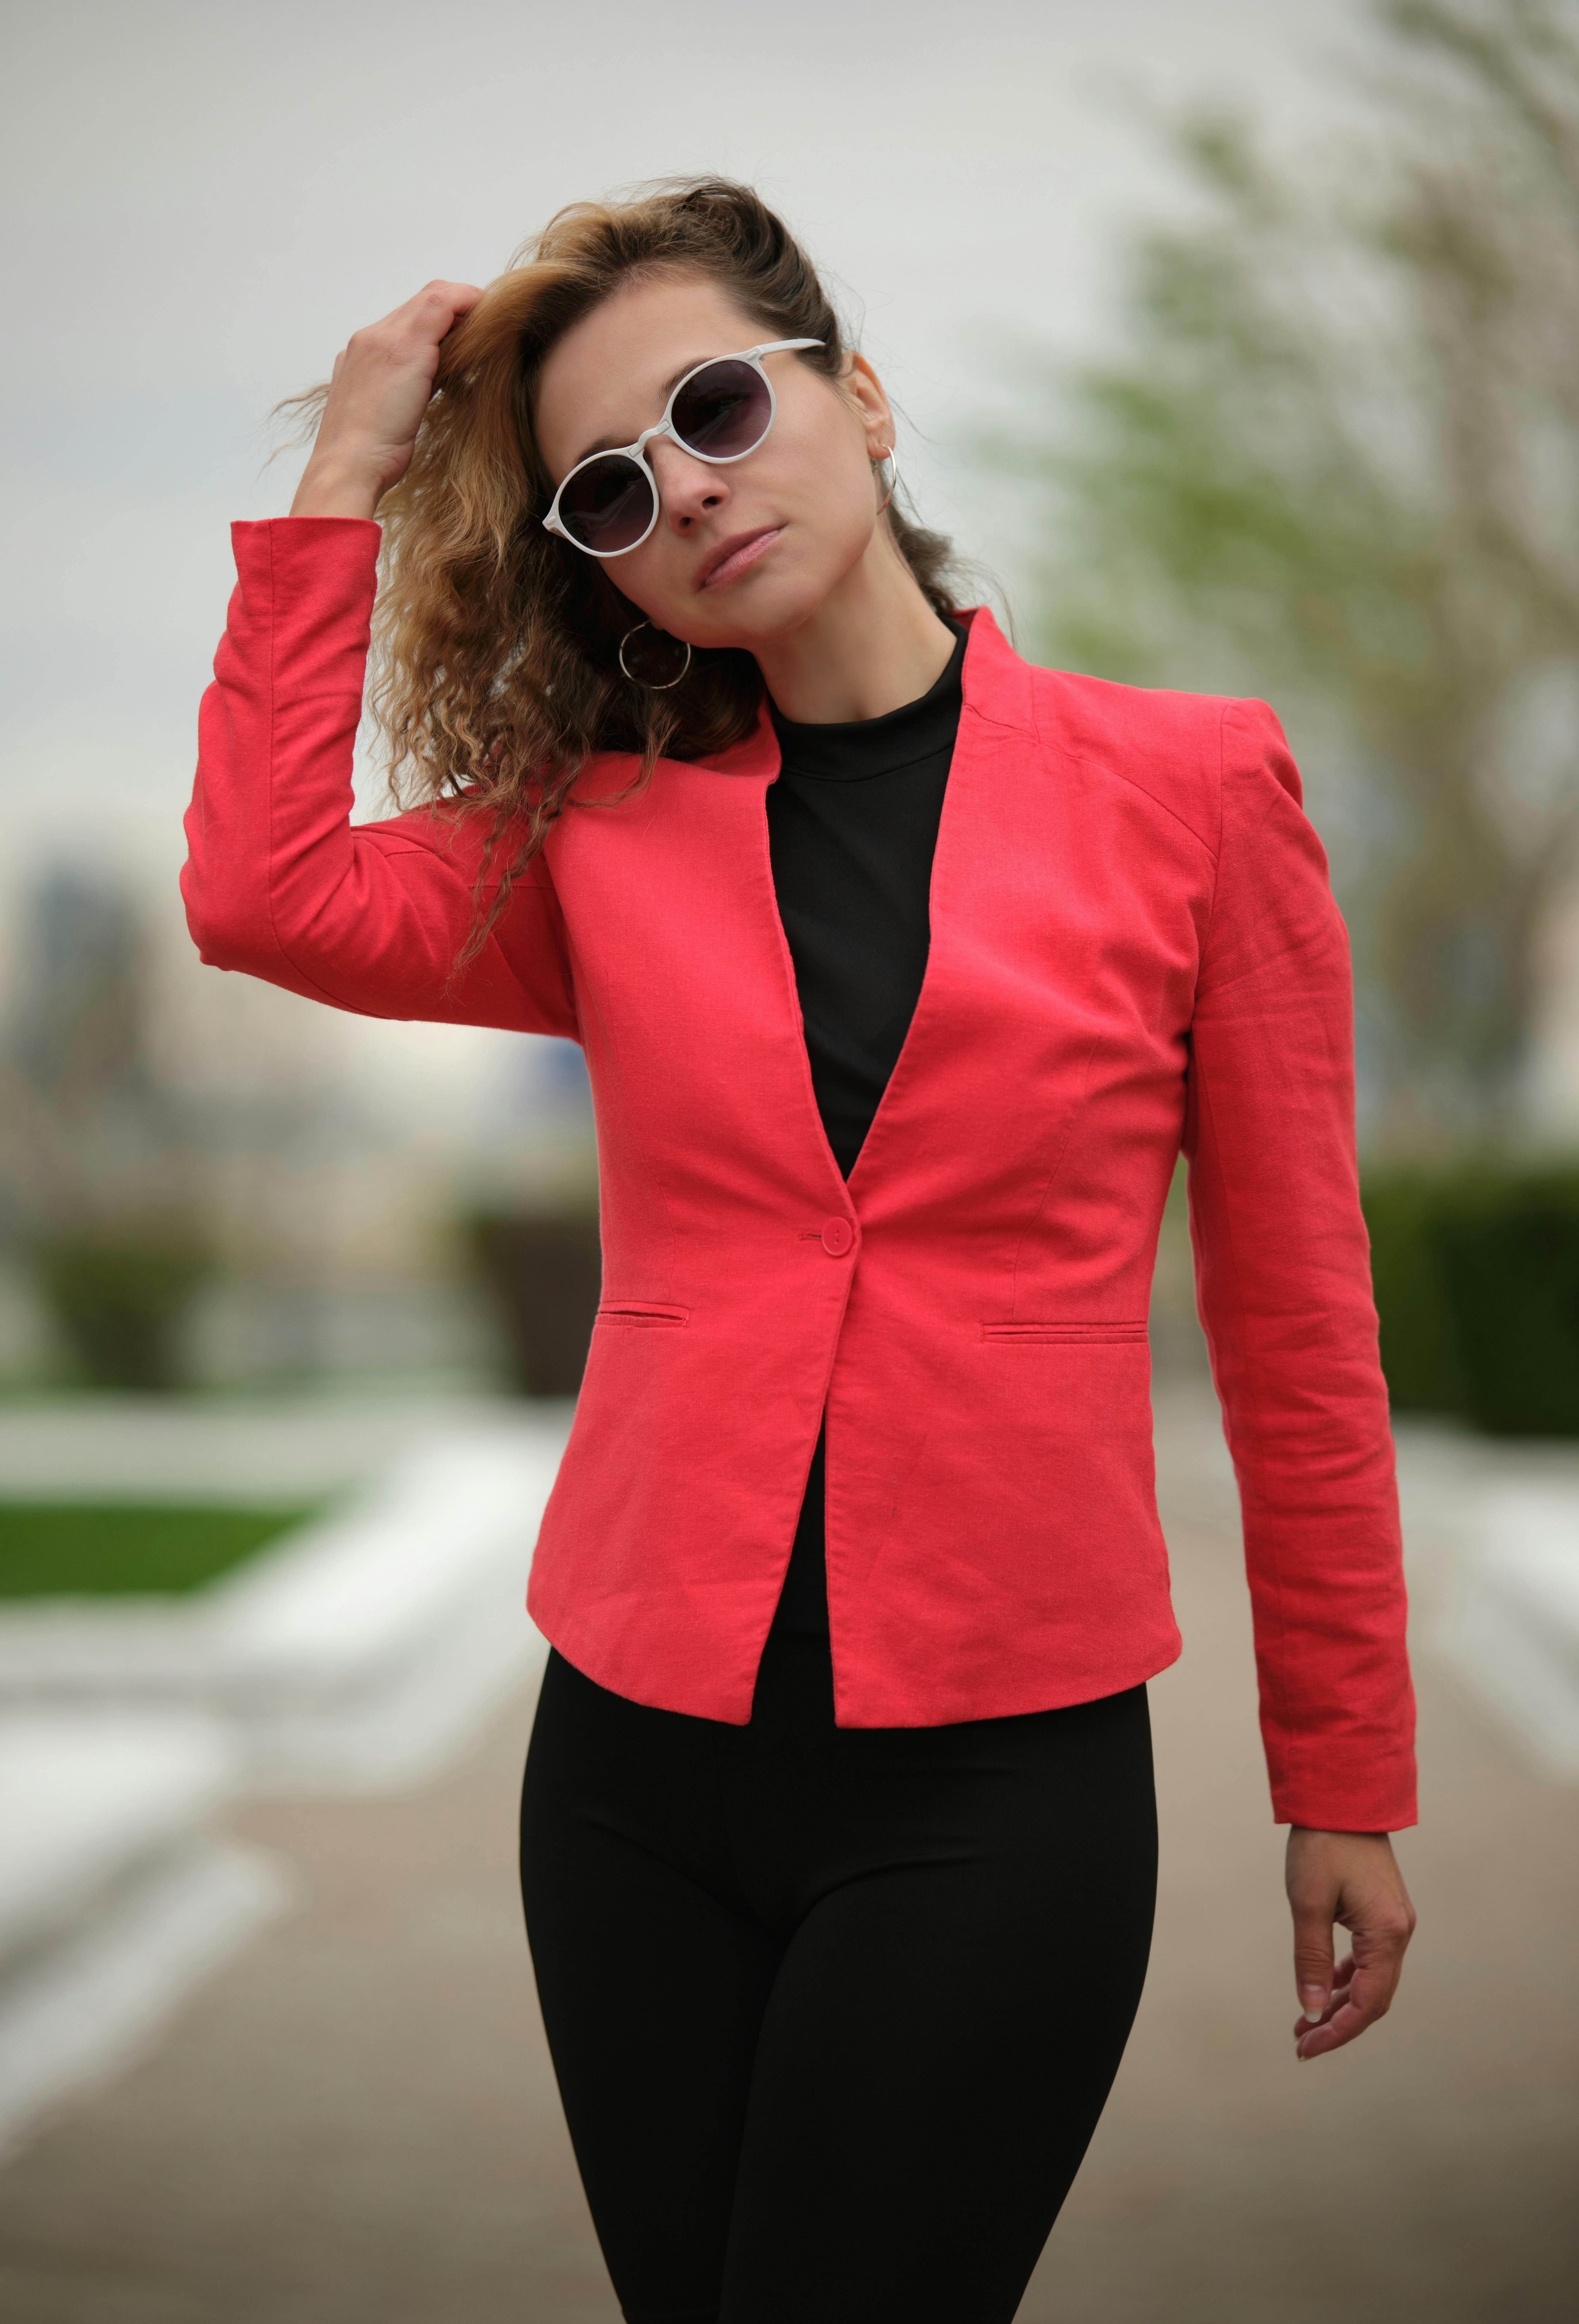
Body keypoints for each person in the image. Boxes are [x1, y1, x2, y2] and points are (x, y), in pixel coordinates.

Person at [182, 178, 1417, 2324]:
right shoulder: (595, 841)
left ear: (863, 394)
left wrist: (1345, 1779)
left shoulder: (1196, 793)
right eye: (608, 486)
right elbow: (263, 892)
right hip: (634, 1781)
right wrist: (348, 471)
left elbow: (1302, 1321)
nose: (685, 488)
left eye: (721, 406)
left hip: (995, 1786)